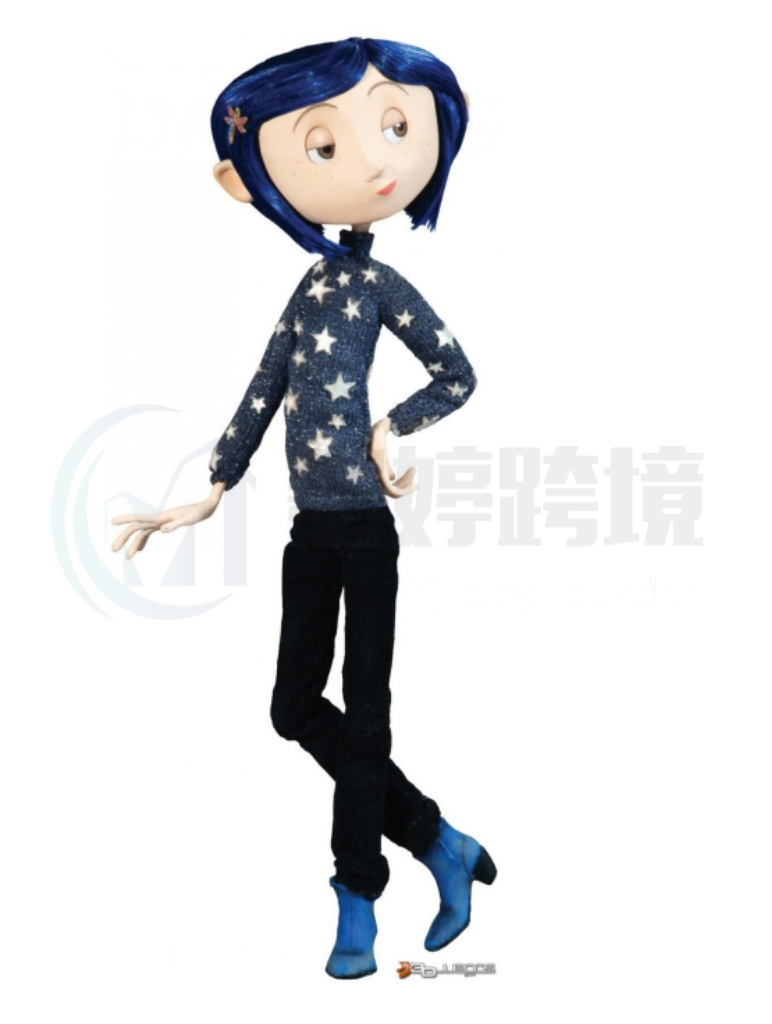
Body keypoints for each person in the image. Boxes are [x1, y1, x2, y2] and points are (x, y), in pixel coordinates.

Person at [111, 37, 496, 980]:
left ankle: (356, 895)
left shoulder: (379, 287)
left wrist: (392, 427)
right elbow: (264, 386)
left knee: (366, 718)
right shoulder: (309, 291)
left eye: (392, 127)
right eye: (325, 144)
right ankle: (438, 839)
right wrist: (211, 486)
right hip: (308, 533)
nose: (368, 162)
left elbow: (457, 372)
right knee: (291, 707)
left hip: (365, 531)